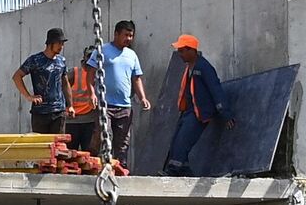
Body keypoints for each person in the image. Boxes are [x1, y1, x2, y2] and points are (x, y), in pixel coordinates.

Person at [162, 33, 231, 177]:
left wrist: (225, 113)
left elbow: (216, 89)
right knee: (177, 141)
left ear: (191, 50)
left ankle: (174, 170)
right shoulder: (190, 67)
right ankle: (184, 170)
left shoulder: (204, 67)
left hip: (199, 113)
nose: (180, 54)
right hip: (189, 111)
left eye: (182, 51)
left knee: (183, 141)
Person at [96, 19, 152, 161]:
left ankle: (121, 168)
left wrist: (142, 98)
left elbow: (136, 78)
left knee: (122, 144)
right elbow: (90, 72)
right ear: (116, 34)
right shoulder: (102, 50)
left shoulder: (132, 55)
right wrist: (92, 93)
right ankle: (105, 167)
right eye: (126, 35)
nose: (129, 39)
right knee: (106, 139)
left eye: (131, 36)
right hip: (105, 105)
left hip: (124, 107)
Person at [11, 28, 70, 135]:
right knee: (41, 143)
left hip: (59, 111)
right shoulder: (35, 60)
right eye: (59, 43)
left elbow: (65, 84)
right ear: (50, 43)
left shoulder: (61, 61)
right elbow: (17, 76)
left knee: (58, 143)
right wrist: (29, 96)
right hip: (40, 112)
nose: (61, 46)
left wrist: (70, 105)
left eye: (62, 43)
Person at [65, 50, 99, 152]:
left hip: (90, 120)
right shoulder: (74, 73)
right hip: (72, 120)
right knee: (70, 153)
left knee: (89, 154)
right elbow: (61, 86)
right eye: (89, 57)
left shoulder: (99, 75)